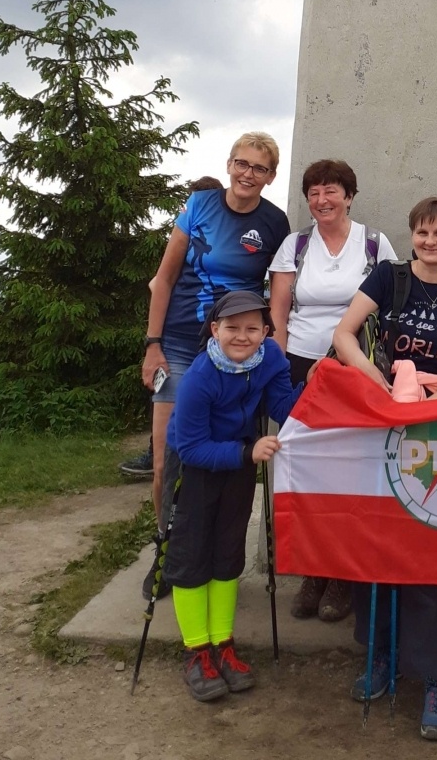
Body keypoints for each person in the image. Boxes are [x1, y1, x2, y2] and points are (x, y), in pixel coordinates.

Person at [332, 196, 437, 742]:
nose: (431, 241)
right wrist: (380, 394)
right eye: (422, 232)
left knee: (424, 558)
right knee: (374, 549)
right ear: (413, 235)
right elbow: (344, 336)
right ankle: (380, 657)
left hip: (435, 433)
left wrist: (426, 409)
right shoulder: (388, 277)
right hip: (379, 422)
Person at [141, 133, 289, 599]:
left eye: (259, 168)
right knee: (167, 455)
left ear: (271, 176)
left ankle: (211, 552)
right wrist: (152, 344)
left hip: (237, 351)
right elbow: (163, 279)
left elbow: (278, 291)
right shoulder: (200, 203)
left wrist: (272, 351)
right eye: (241, 163)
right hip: (182, 344)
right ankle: (166, 552)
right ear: (228, 164)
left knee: (222, 456)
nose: (248, 174)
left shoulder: (274, 222)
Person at [268, 159, 397, 622]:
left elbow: (389, 305)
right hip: (300, 362)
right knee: (305, 467)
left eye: (331, 191)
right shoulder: (295, 244)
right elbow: (278, 312)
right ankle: (313, 570)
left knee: (347, 470)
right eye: (314, 193)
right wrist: (276, 366)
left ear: (349, 195)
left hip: (354, 365)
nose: (322, 200)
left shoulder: (375, 243)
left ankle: (343, 575)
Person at [161, 290, 302, 702]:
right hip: (196, 467)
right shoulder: (200, 378)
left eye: (252, 328)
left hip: (239, 460)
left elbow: (282, 404)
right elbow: (189, 447)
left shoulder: (272, 358)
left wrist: (315, 387)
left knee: (227, 553)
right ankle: (196, 651)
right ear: (215, 329)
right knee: (190, 558)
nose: (242, 337)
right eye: (233, 328)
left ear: (266, 332)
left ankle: (223, 645)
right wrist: (247, 452)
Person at [119, 177, 226, 481]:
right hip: (175, 338)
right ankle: (157, 459)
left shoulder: (217, 241)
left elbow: (157, 283)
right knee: (167, 410)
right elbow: (160, 282)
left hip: (212, 339)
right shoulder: (185, 234)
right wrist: (154, 342)